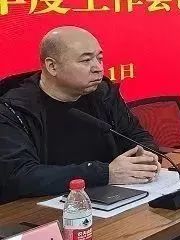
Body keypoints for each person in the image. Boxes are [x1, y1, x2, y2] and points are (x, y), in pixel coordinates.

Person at [0, 27, 160, 203]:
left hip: (111, 198)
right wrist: (105, 173)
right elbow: (19, 175)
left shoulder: (103, 93)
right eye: (86, 60)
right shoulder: (13, 109)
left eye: (99, 58)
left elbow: (137, 136)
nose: (98, 68)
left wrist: (146, 157)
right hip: (42, 207)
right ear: (52, 66)